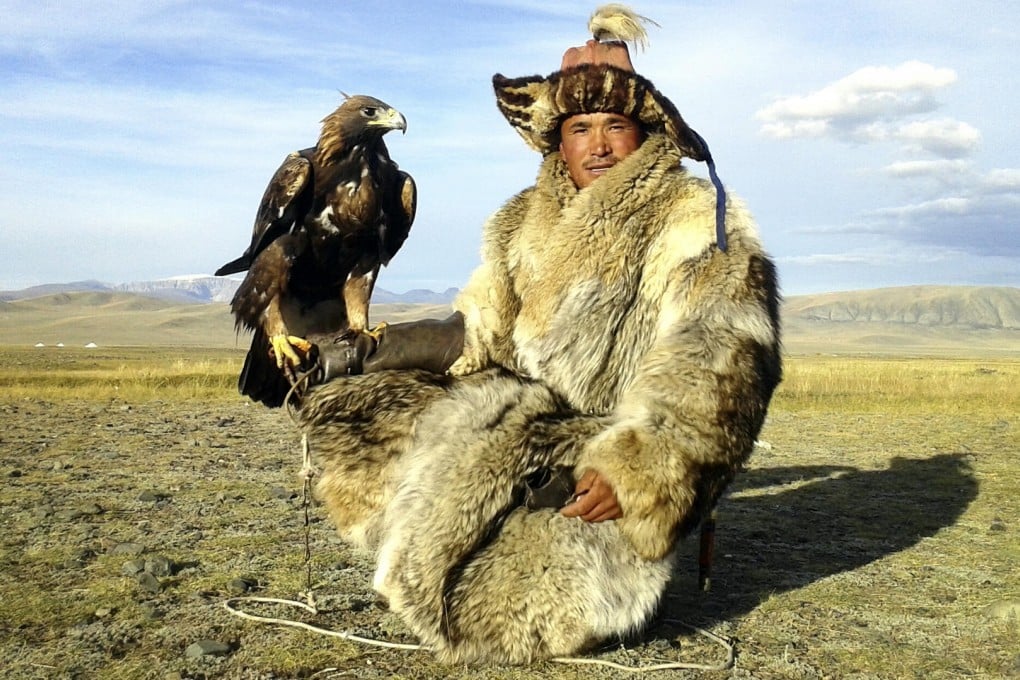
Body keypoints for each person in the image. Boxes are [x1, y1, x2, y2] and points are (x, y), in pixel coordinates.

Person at [295, 5, 781, 665]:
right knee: (354, 408)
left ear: (645, 137)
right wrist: (364, 354)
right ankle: (432, 549)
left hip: (605, 452)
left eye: (617, 125)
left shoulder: (695, 224)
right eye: (581, 127)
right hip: (519, 429)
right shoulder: (524, 221)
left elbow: (723, 363)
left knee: (528, 614)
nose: (600, 144)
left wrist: (641, 471)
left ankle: (579, 578)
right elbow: (476, 329)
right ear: (557, 137)